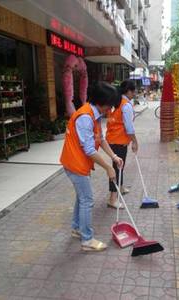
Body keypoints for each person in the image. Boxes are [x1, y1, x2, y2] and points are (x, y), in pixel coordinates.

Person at [60, 82, 124, 252]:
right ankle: (87, 239)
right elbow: (89, 149)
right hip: (75, 164)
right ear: (101, 102)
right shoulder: (85, 117)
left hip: (79, 163)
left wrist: (114, 156)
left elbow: (100, 139)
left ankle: (76, 228)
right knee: (87, 200)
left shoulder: (94, 115)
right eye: (110, 105)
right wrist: (108, 168)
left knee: (82, 198)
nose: (110, 110)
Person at [106, 80, 138, 208]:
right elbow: (129, 127)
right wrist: (135, 141)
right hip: (119, 141)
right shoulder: (126, 105)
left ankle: (121, 187)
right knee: (117, 169)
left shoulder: (116, 102)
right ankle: (112, 199)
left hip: (112, 140)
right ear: (129, 91)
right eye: (133, 91)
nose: (134, 94)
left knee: (119, 166)